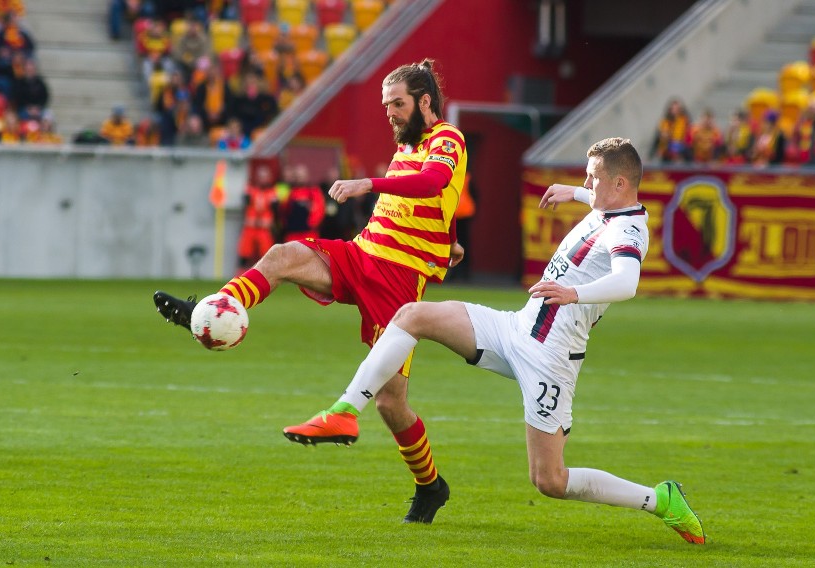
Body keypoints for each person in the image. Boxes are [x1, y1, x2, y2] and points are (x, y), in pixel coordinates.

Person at [284, 137, 706, 545]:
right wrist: (574, 191)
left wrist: (573, 293)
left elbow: (627, 281)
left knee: (549, 480)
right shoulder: (607, 205)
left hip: (551, 359)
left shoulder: (628, 230)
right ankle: (344, 410)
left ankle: (659, 499)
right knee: (412, 316)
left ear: (620, 184)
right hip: (515, 329)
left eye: (593, 177)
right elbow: (600, 199)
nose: (588, 183)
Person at [153, 59, 468, 524]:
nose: (391, 114)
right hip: (362, 255)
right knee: (283, 255)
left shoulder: (448, 138)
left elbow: (436, 182)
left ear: (425, 101)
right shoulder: (408, 144)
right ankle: (215, 307)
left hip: (397, 281)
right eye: (385, 106)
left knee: (389, 401)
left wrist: (370, 183)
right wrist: (449, 239)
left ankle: (430, 485)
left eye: (397, 104)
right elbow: (438, 197)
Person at [236, 163, 281, 272]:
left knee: (267, 255)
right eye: (261, 176)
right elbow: (245, 201)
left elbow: (276, 209)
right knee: (244, 254)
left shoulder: (272, 191)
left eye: (265, 176)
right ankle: (239, 276)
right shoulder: (251, 189)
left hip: (264, 229)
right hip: (250, 227)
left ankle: (266, 276)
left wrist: (276, 224)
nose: (263, 179)